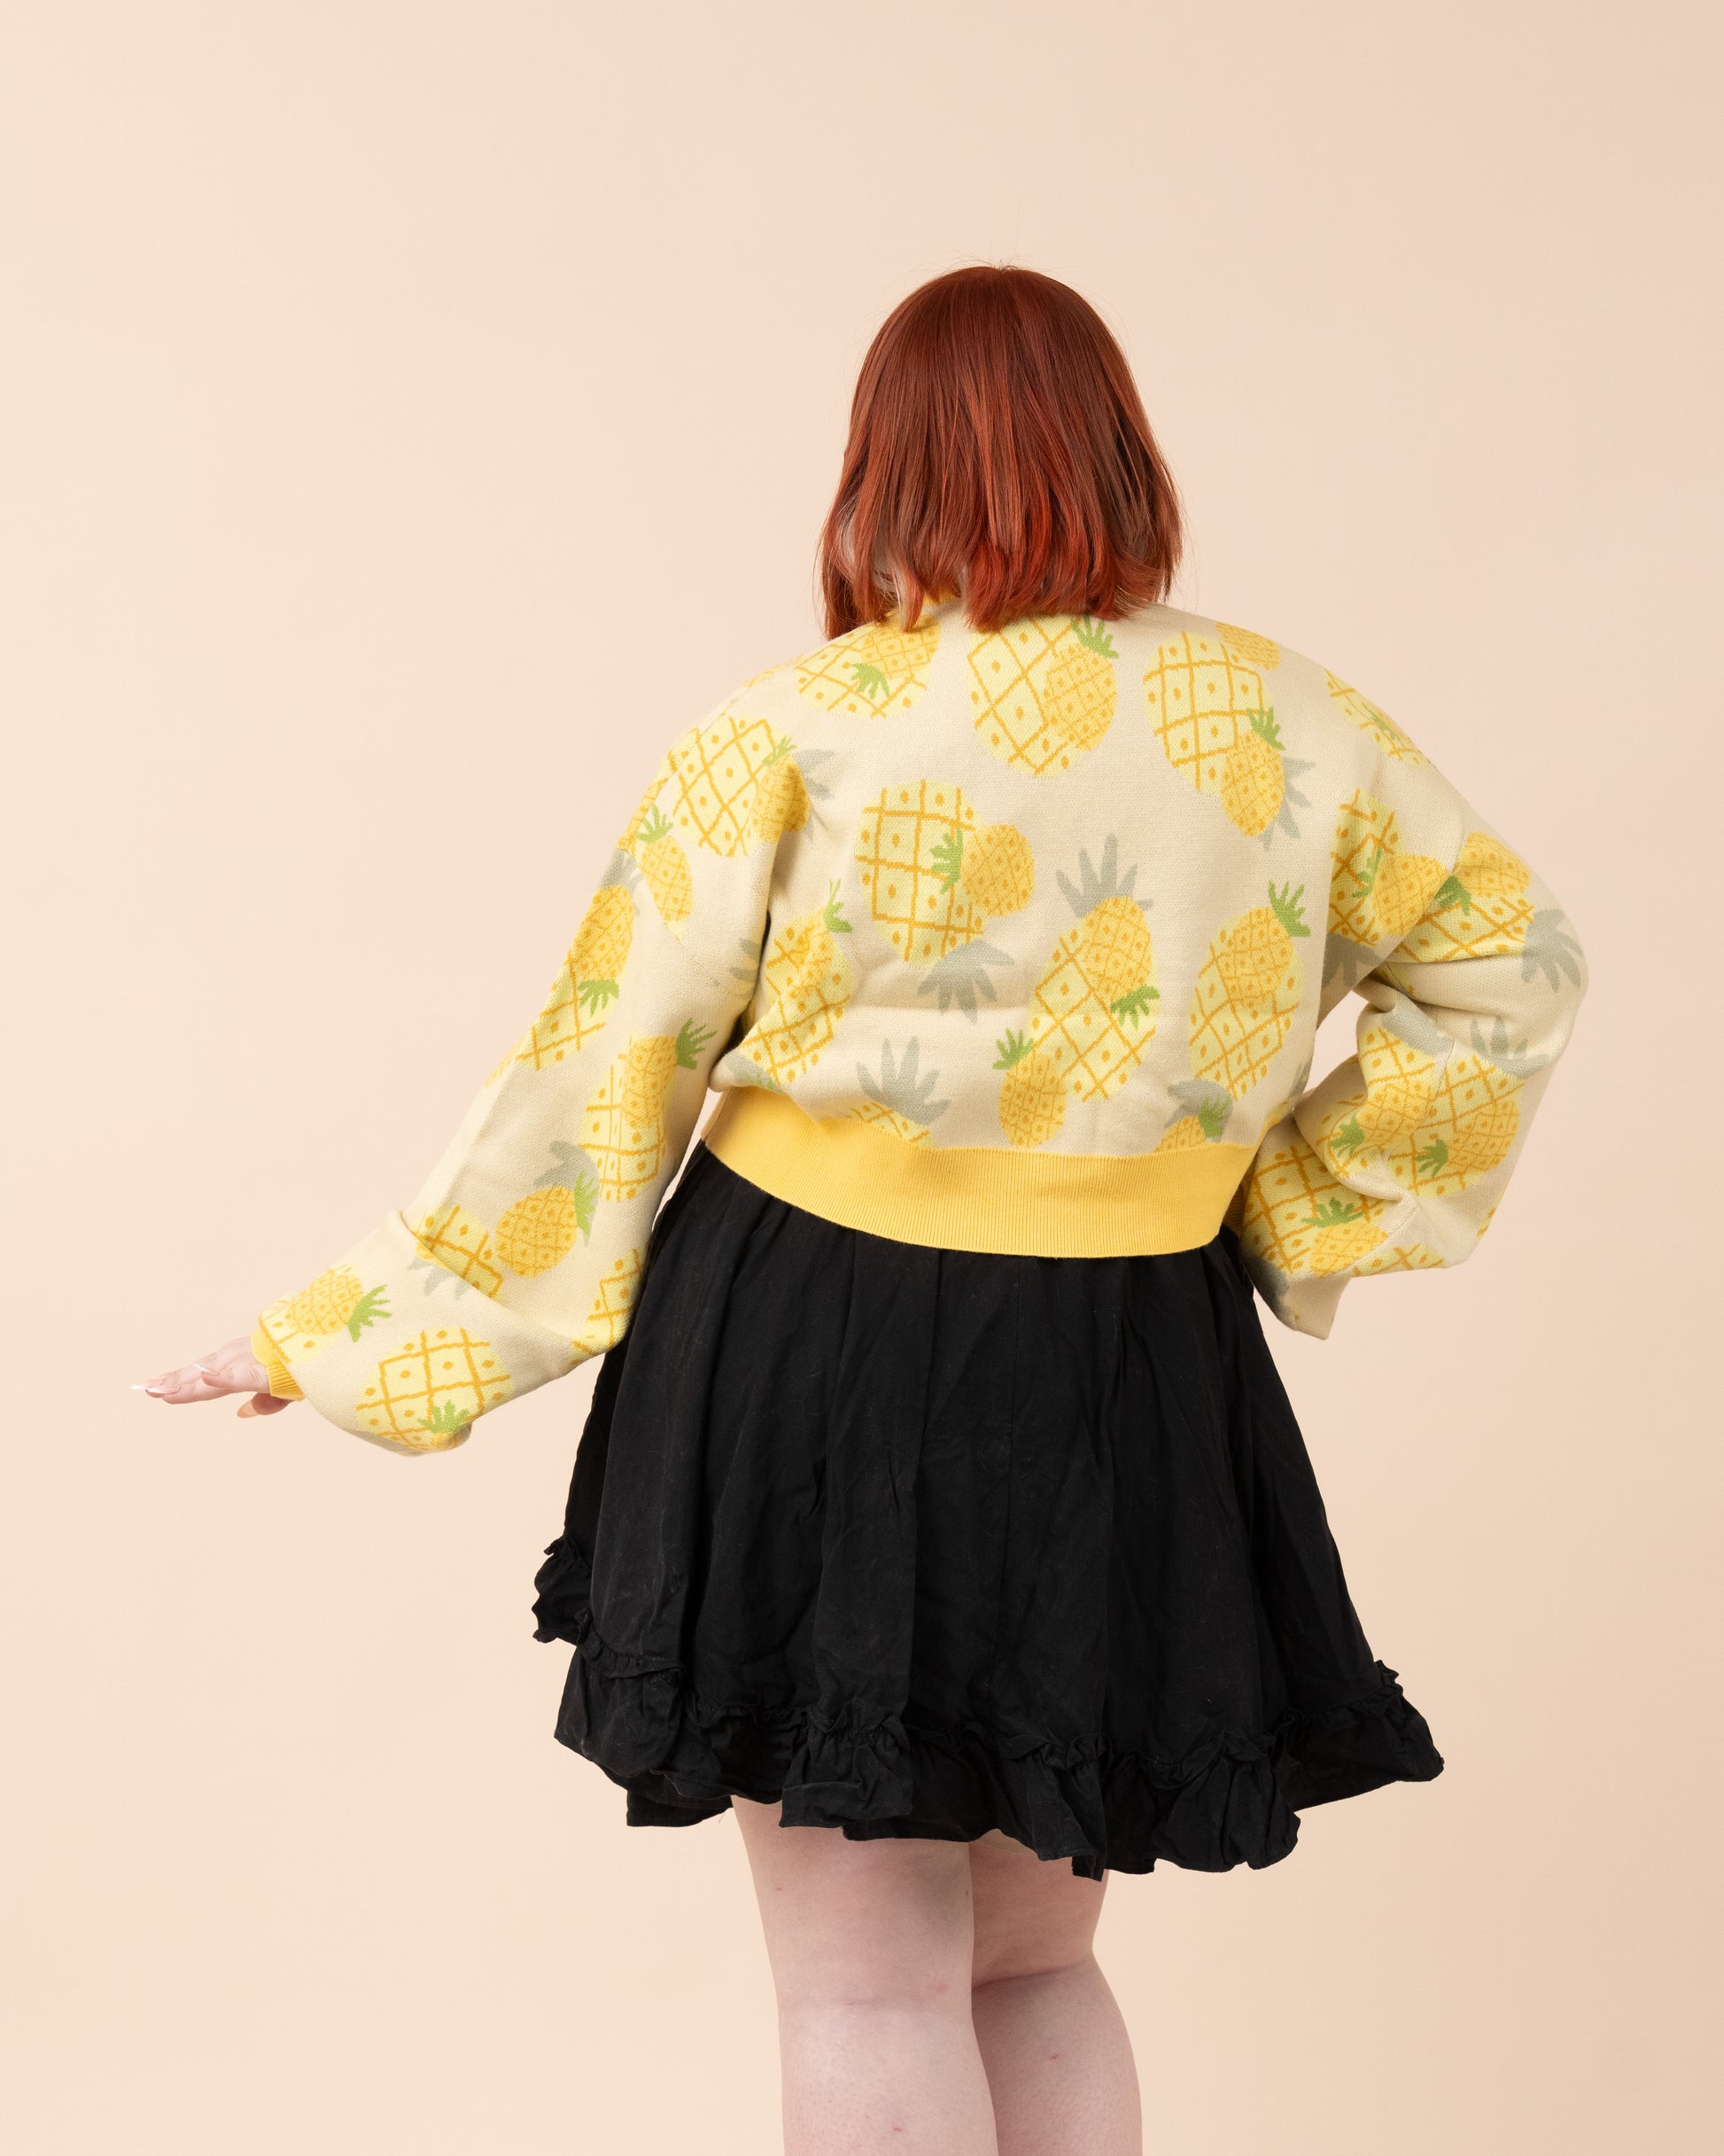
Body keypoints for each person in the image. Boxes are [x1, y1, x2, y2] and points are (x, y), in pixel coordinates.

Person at [147, 265, 1587, 2155]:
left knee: (864, 1983)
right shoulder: (1292, 722)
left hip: (812, 1336)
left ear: (879, 467)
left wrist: (340, 1337)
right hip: (1126, 1348)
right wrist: (1284, 1202)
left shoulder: (796, 725)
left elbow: (604, 1060)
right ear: (1122, 451)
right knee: (1036, 1963)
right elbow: (1511, 966)